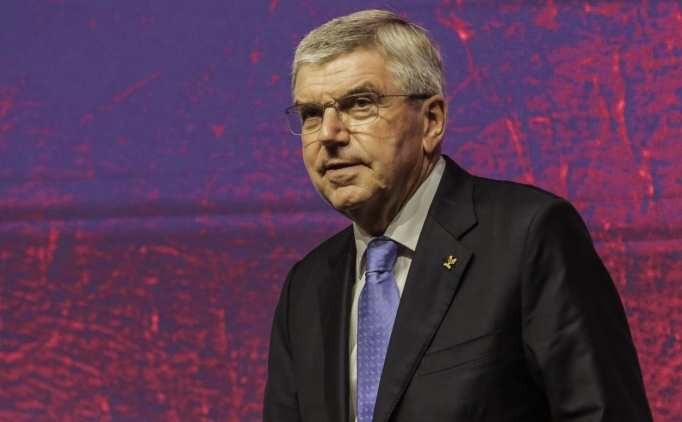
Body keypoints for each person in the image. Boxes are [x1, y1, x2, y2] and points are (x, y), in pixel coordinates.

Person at [263, 10, 653, 422]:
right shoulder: (306, 286)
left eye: (360, 104)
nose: (328, 134)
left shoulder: (528, 236)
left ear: (431, 120)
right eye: (311, 114)